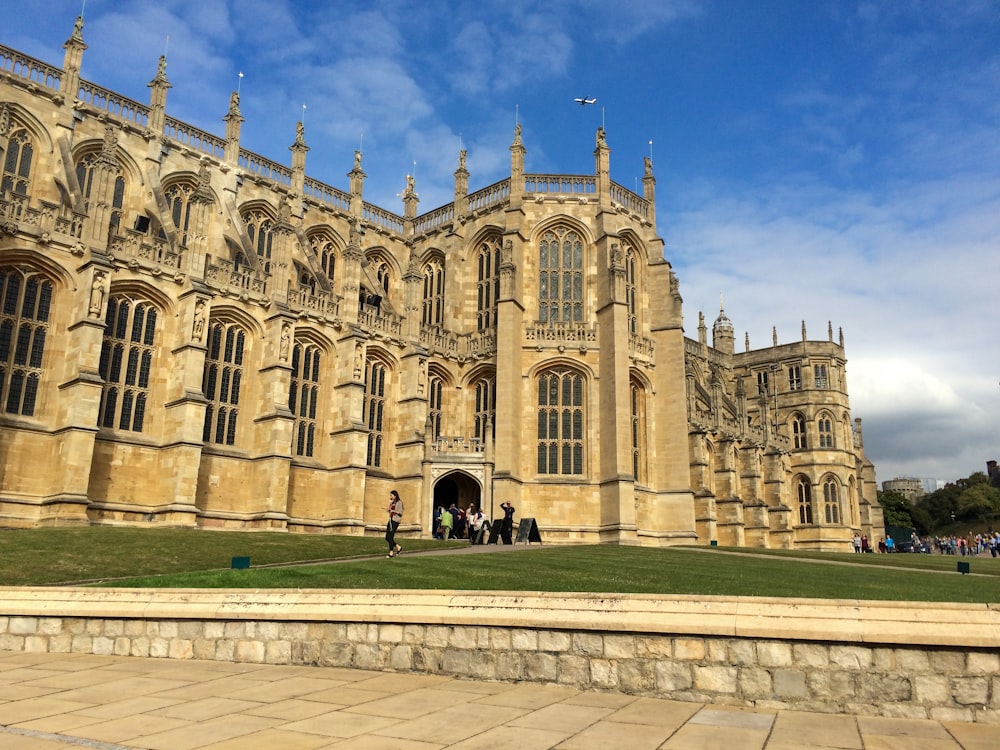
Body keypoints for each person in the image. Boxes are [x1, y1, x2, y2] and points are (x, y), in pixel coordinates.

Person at [385, 490, 403, 558]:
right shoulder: (392, 503)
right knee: (387, 537)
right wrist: (389, 507)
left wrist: (393, 511)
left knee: (390, 536)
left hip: (395, 521)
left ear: (395, 496)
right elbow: (390, 510)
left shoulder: (399, 502)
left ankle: (391, 553)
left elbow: (400, 512)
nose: (390, 497)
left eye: (391, 495)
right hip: (390, 520)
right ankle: (398, 547)